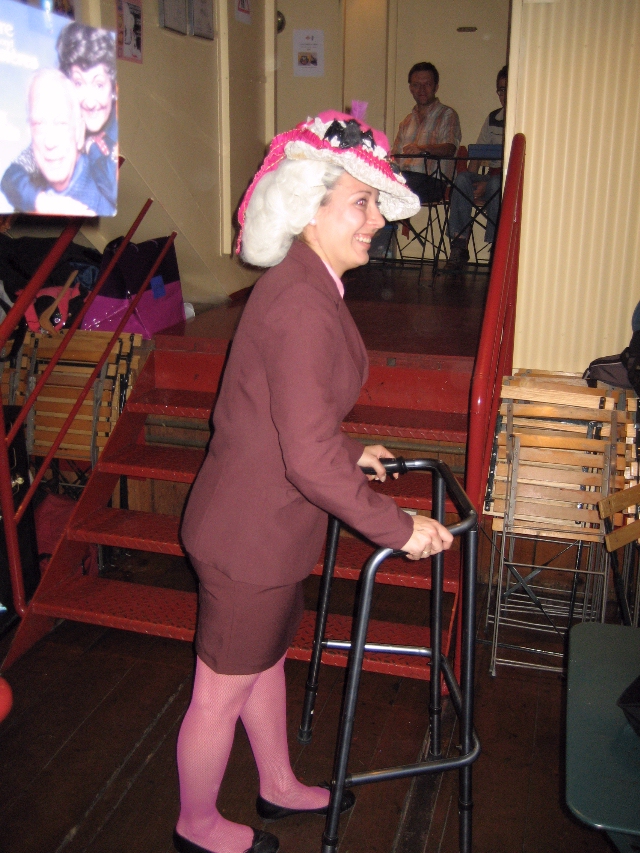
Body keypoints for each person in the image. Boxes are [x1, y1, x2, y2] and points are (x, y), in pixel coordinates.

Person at [176, 111, 454, 853]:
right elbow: (304, 454)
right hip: (248, 538)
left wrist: (351, 450)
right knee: (220, 692)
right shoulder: (302, 299)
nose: (376, 220)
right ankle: (195, 824)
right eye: (360, 202)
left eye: (375, 203)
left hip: (264, 527)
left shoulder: (307, 282)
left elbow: (285, 417)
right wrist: (399, 527)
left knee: (264, 665)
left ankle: (276, 784)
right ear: (308, 206)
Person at [0, 24, 117, 213]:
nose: (89, 101)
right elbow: (11, 177)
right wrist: (41, 202)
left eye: (99, 85)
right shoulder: (44, 146)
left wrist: (93, 148)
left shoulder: (112, 141)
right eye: (78, 83)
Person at [445, 66, 507, 271]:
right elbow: (479, 153)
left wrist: (488, 185)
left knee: (496, 184)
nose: (504, 95)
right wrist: (472, 181)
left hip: (508, 182)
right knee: (462, 179)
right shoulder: (493, 118)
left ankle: (496, 246)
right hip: (491, 178)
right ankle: (459, 243)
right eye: (501, 90)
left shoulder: (527, 118)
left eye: (508, 89)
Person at [391, 62, 461, 204]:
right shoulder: (407, 121)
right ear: (411, 89)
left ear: (436, 87)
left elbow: (450, 148)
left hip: (433, 182)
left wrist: (423, 149)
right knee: (372, 183)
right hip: (405, 179)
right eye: (416, 85)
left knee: (391, 190)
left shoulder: (447, 114)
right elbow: (395, 157)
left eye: (427, 84)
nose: (421, 89)